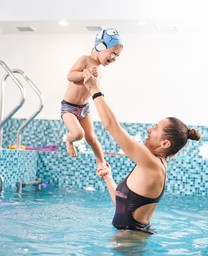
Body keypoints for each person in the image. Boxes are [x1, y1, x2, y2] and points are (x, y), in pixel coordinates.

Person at [83, 69, 201, 234]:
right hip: (129, 240)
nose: (148, 130)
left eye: (155, 128)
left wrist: (94, 89)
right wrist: (108, 178)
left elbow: (111, 125)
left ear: (165, 143)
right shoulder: (152, 164)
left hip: (130, 243)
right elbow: (122, 207)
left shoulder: (151, 163)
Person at [61, 28, 123, 177]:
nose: (114, 58)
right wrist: (84, 73)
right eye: (113, 53)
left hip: (84, 108)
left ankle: (101, 162)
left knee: (91, 138)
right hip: (69, 107)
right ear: (101, 46)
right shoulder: (85, 59)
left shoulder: (100, 69)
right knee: (78, 134)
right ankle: (69, 140)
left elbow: (93, 87)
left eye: (117, 56)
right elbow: (70, 76)